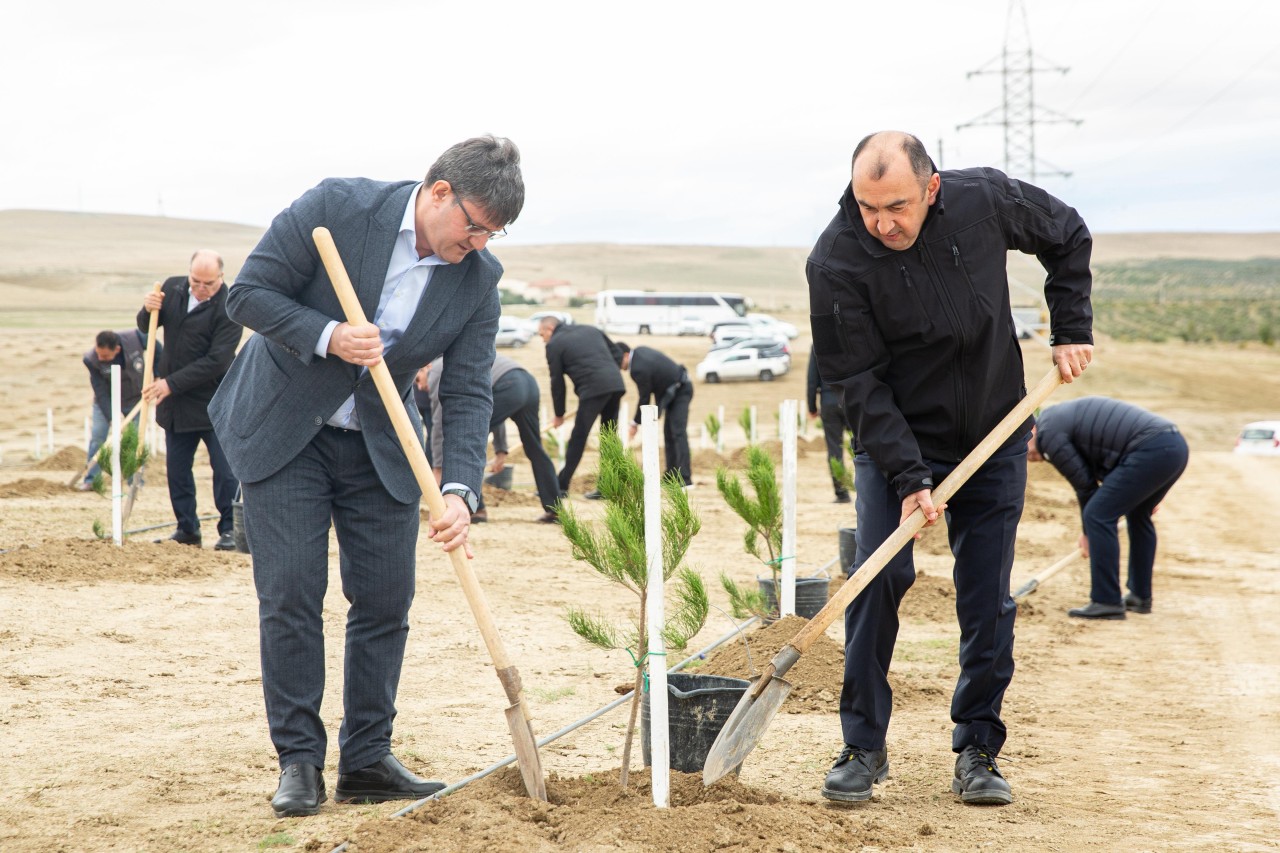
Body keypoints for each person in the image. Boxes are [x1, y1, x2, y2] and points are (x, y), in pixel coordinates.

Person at [207, 135, 524, 818]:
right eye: (473, 226)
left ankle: (366, 759)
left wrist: (462, 488)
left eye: (491, 235)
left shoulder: (478, 280)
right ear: (439, 192)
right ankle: (299, 761)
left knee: (384, 600)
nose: (477, 243)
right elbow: (248, 295)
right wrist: (328, 334)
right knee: (292, 592)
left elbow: (469, 391)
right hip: (287, 430)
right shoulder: (339, 207)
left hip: (382, 446)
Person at [807, 131, 1093, 807]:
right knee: (879, 580)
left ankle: (978, 747)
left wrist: (1071, 324)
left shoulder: (982, 200)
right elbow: (856, 381)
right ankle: (863, 744)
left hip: (993, 433)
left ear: (931, 187)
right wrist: (910, 477)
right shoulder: (836, 260)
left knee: (986, 595)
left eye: (897, 206)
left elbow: (1068, 233)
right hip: (895, 440)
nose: (882, 223)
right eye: (867, 205)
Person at [1028, 396, 1188, 619]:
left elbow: (1085, 487)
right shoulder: (1055, 421)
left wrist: (1088, 533)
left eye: (1021, 447)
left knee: (1097, 515)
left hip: (1150, 449)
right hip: (1172, 446)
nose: (1026, 458)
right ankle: (1140, 596)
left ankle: (1107, 600)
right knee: (1138, 514)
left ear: (1031, 429)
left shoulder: (1049, 433)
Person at [138, 252, 242, 549]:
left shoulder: (231, 305)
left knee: (224, 471)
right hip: (176, 405)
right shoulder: (172, 288)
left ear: (221, 278)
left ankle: (230, 530)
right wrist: (147, 310)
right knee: (177, 470)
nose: (200, 288)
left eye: (208, 283)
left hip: (215, 400)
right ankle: (187, 530)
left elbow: (218, 360)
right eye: (195, 281)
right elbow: (146, 327)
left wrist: (171, 383)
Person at [427, 353, 565, 523]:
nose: (420, 388)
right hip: (527, 383)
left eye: (418, 381)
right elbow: (488, 407)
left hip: (508, 385)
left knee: (465, 441)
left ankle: (476, 509)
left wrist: (438, 466)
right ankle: (555, 509)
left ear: (424, 368)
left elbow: (439, 424)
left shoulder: (435, 371)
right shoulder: (456, 361)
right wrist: (501, 451)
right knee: (535, 448)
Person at [538, 316, 626, 498]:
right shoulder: (591, 329)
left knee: (578, 436)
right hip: (615, 385)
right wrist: (607, 377)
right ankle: (607, 487)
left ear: (550, 328)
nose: (543, 339)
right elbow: (618, 354)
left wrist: (559, 414)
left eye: (542, 335)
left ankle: (560, 487)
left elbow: (557, 382)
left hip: (593, 389)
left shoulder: (554, 344)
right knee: (609, 436)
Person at [79, 329, 157, 490]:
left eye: (106, 356)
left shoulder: (136, 339)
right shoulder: (90, 360)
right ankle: (91, 479)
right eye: (99, 354)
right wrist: (112, 418)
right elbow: (100, 391)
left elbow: (158, 349)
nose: (101, 359)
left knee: (133, 439)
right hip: (106, 400)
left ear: (117, 350)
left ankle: (134, 481)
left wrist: (158, 374)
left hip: (135, 398)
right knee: (98, 436)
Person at [615, 342, 693, 487]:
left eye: (618, 361)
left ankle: (685, 479)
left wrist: (634, 423)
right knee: (669, 434)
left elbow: (644, 397)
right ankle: (671, 476)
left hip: (681, 390)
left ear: (625, 355)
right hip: (671, 392)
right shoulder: (640, 352)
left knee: (678, 432)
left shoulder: (637, 368)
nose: (618, 367)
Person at [806, 350, 852, 503]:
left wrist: (812, 407)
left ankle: (842, 493)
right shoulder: (849, 334)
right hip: (853, 400)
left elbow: (812, 379)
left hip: (829, 402)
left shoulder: (817, 344)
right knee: (865, 447)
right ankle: (870, 490)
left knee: (834, 449)